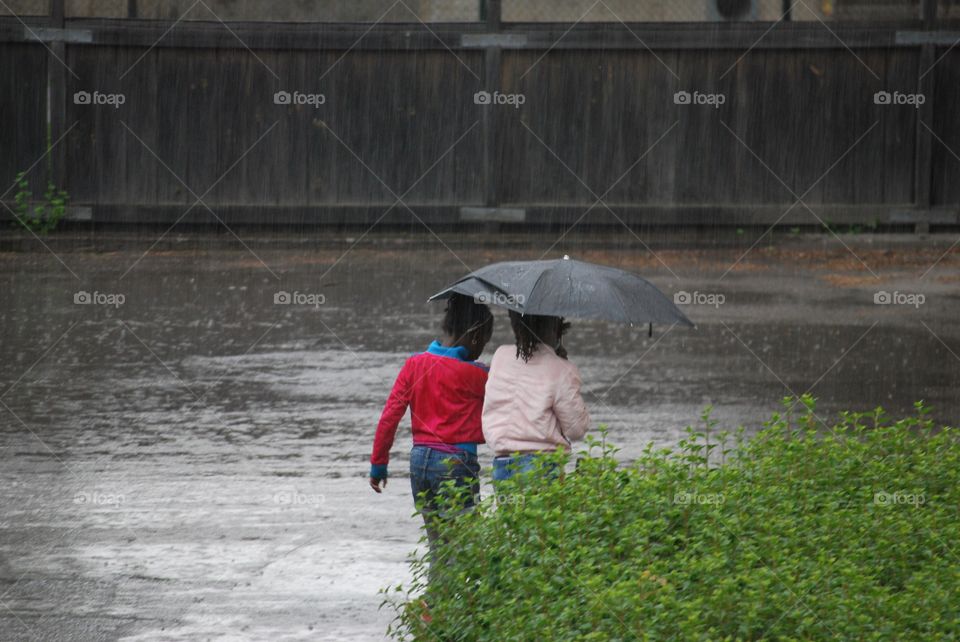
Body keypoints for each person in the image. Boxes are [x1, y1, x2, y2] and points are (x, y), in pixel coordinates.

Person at [368, 294, 494, 554]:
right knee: (469, 546)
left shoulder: (414, 364)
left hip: (419, 464)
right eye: (483, 342)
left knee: (439, 547)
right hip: (456, 464)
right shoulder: (477, 374)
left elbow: (390, 416)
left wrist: (379, 464)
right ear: (474, 336)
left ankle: (435, 595)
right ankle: (469, 593)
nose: (481, 349)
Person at [482, 311, 590, 482]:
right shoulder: (561, 369)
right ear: (555, 328)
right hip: (541, 467)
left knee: (510, 509)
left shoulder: (500, 356)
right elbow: (576, 430)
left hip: (502, 466)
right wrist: (563, 366)